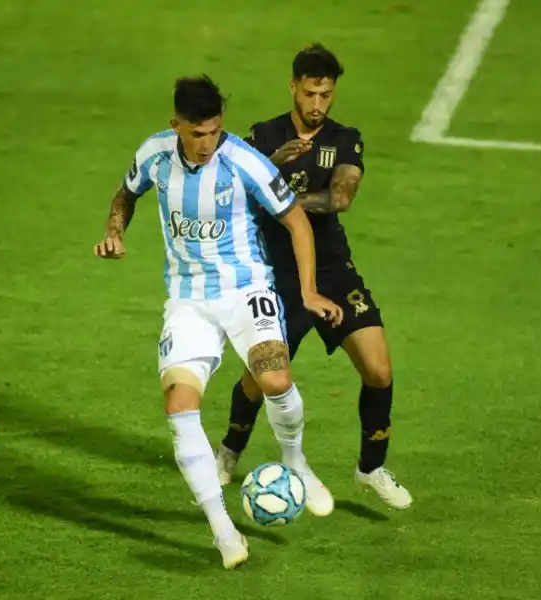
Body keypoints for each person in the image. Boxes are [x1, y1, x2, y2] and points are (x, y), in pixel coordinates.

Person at [94, 75, 343, 569]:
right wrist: (114, 231)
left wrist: (310, 291)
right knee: (179, 405)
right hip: (188, 301)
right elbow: (125, 195)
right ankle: (223, 531)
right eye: (196, 134)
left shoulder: (242, 161)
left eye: (213, 132)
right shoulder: (155, 154)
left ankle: (295, 461)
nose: (206, 143)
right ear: (176, 126)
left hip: (245, 288)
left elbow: (294, 219)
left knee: (276, 377)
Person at [215, 44, 412, 510]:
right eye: (310, 93)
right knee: (260, 378)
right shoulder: (264, 137)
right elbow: (232, 192)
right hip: (277, 276)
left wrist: (278, 197)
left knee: (379, 370)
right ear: (293, 88)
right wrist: (272, 165)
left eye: (327, 94)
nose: (318, 104)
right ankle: (229, 450)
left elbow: (342, 197)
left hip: (331, 271)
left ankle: (371, 469)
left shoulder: (346, 139)